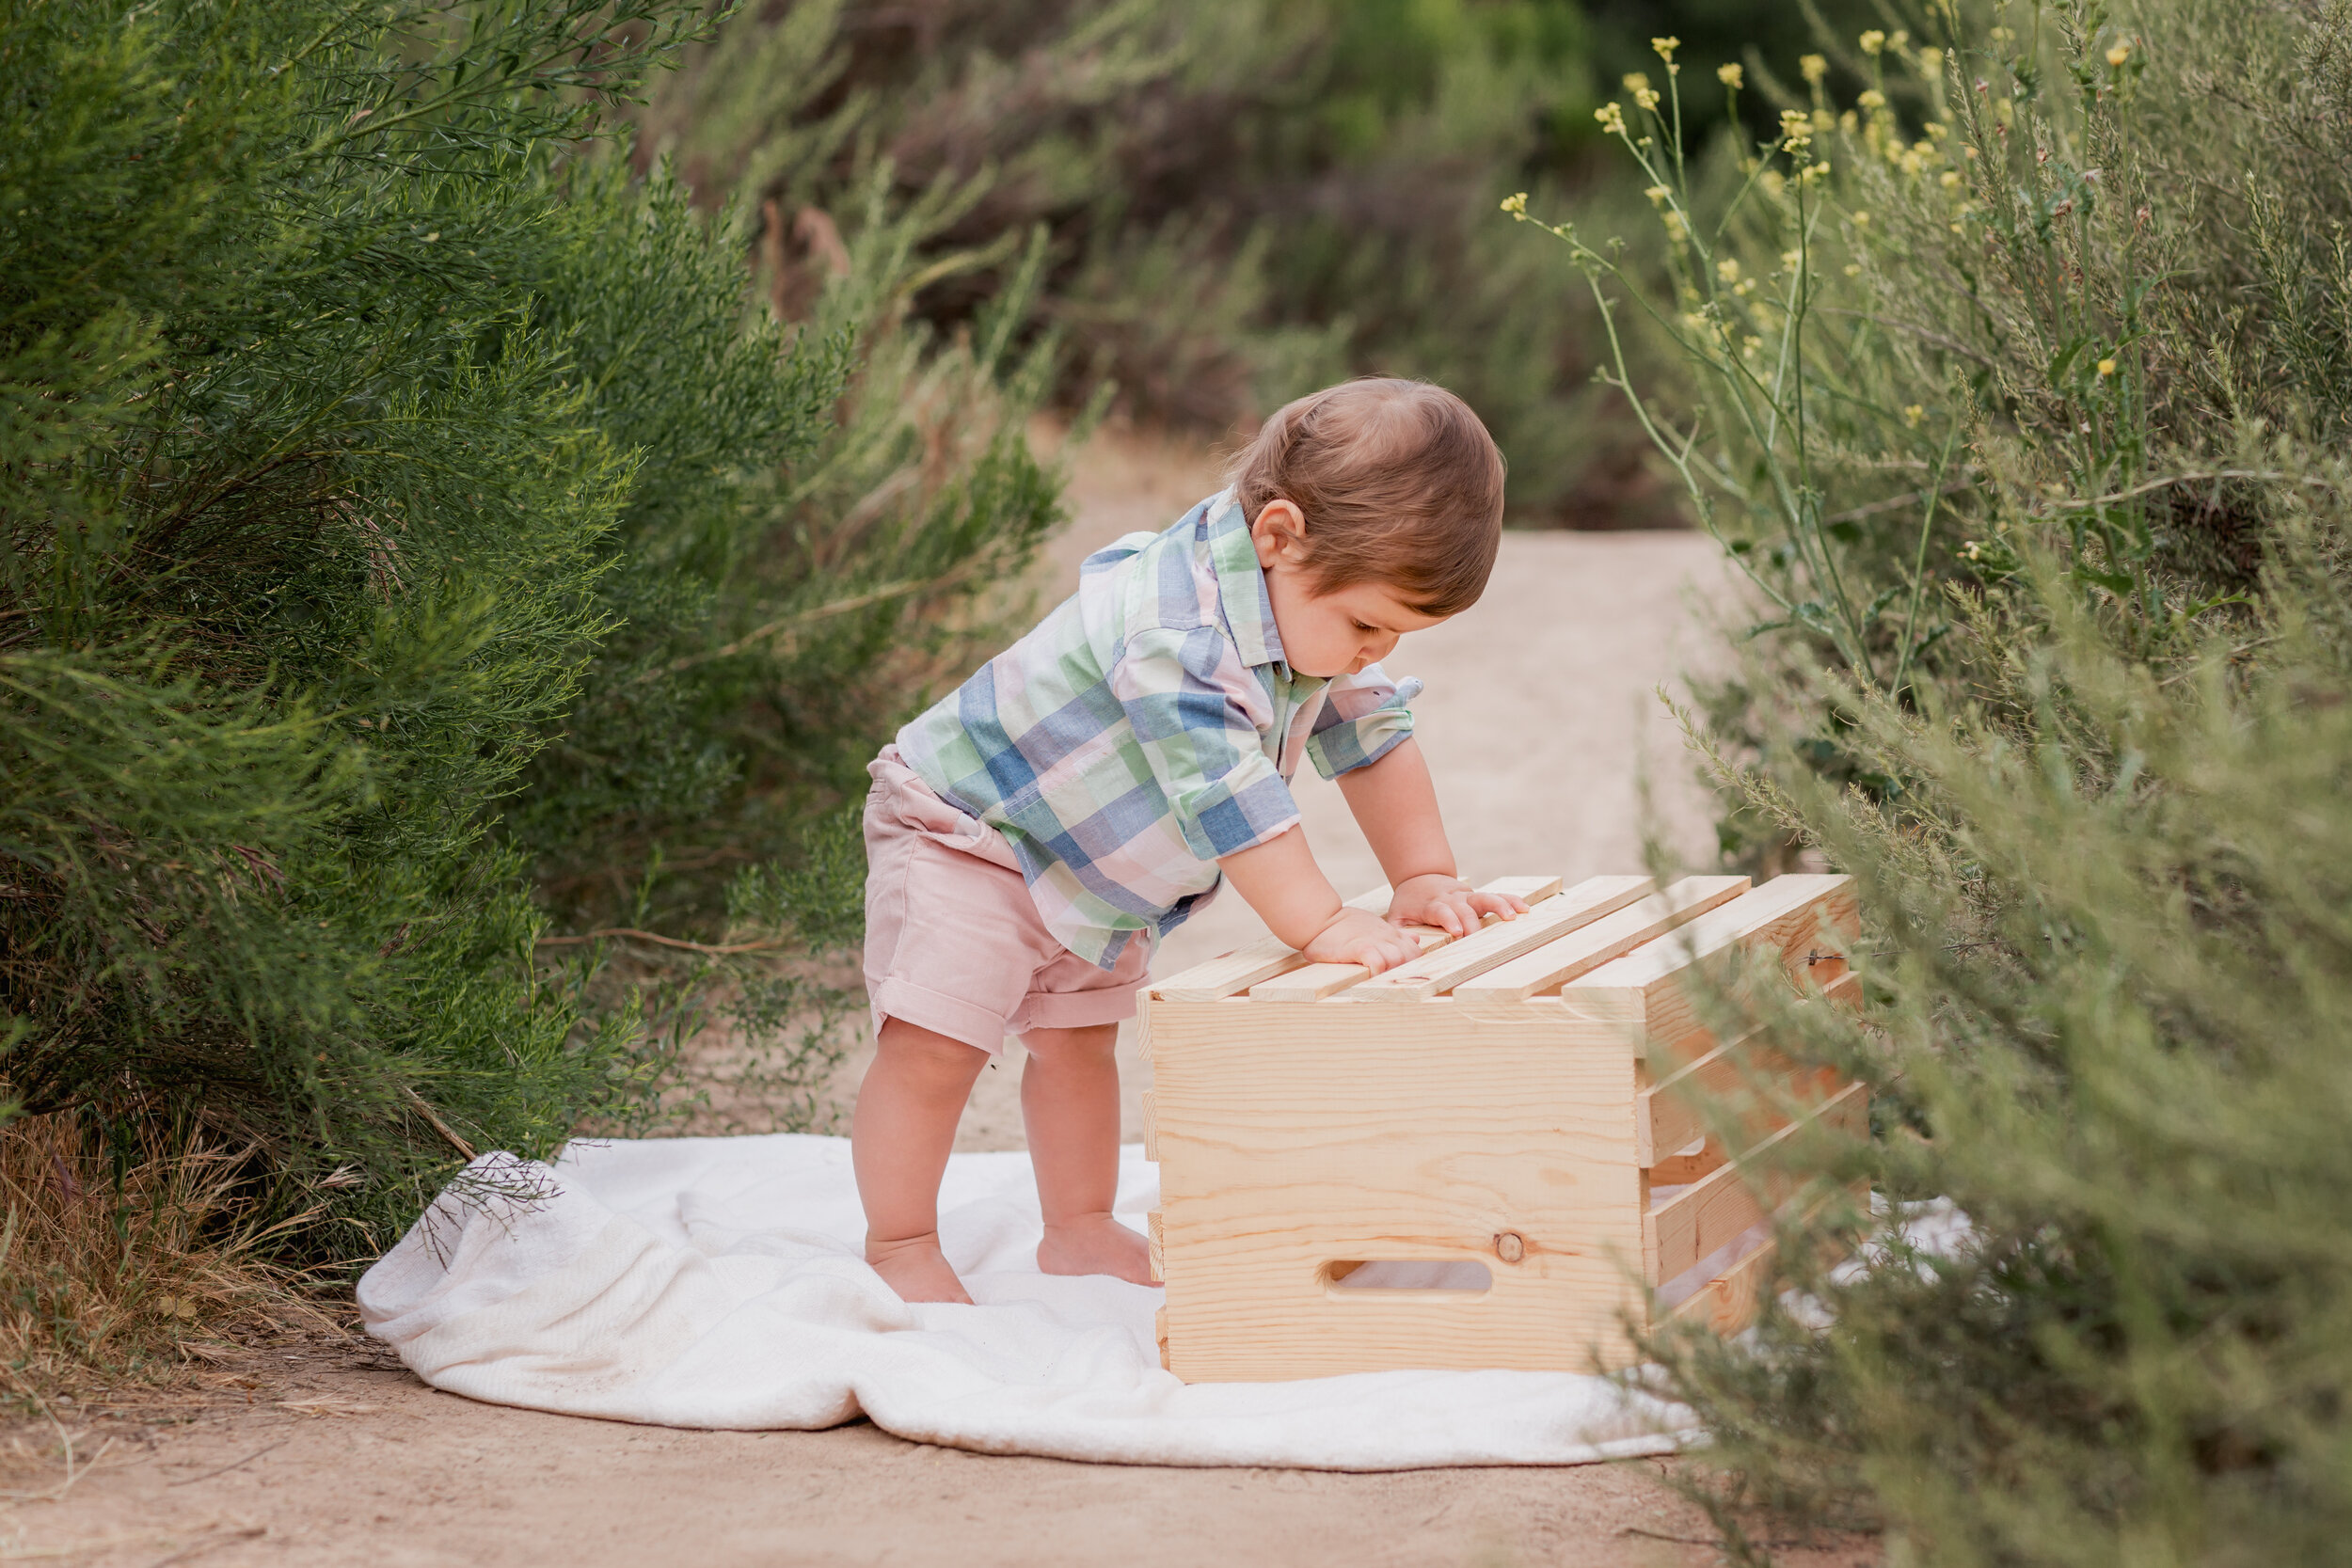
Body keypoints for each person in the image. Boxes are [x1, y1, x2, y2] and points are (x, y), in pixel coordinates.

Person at [852, 377, 1525, 1304]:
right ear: (1280, 536)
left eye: (1398, 633)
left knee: (1080, 1042)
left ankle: (1078, 1225)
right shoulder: (1176, 628)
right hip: (972, 829)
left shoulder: (1299, 600)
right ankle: (899, 1241)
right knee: (937, 1042)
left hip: (1089, 866)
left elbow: (1371, 732)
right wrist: (1323, 922)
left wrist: (1421, 873)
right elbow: (1227, 795)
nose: (1378, 651)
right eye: (1368, 624)